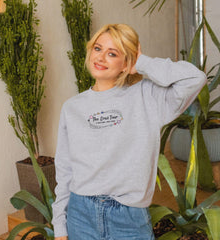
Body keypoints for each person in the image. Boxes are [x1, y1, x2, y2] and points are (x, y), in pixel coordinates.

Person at [52, 24, 207, 240]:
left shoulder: (148, 97)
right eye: (98, 48)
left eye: (112, 53)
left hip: (129, 218)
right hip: (81, 214)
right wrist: (60, 225)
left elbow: (195, 79)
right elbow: (65, 169)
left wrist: (142, 63)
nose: (101, 57)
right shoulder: (72, 107)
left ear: (126, 63)